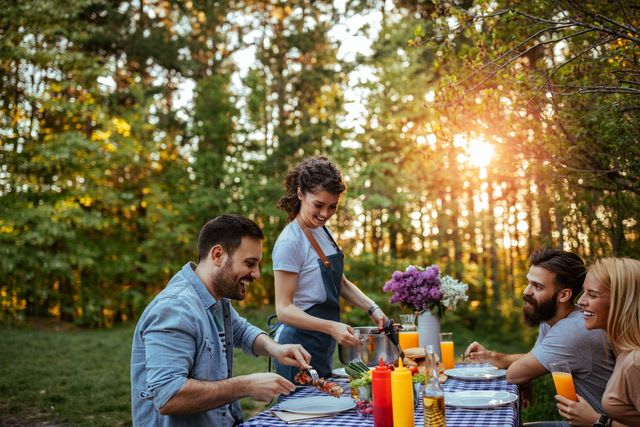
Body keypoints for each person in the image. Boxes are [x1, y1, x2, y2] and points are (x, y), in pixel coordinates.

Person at [130, 214, 312, 427]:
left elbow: (242, 331)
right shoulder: (175, 308)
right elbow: (168, 396)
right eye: (250, 263)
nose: (257, 274)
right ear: (218, 255)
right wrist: (246, 385)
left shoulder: (215, 298)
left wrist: (276, 349)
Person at [272, 156, 388, 382]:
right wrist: (332, 327)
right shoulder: (290, 242)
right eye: (318, 205)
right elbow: (284, 309)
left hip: (321, 343)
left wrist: (373, 309)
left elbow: (341, 283)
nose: (325, 214)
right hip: (295, 347)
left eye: (332, 206)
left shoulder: (323, 232)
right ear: (300, 194)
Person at [463, 248, 614, 421]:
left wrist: (525, 376)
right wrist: (490, 356)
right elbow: (534, 358)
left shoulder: (572, 330)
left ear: (564, 295)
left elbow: (515, 374)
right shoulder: (550, 318)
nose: (527, 291)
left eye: (538, 286)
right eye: (529, 282)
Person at [556, 257, 640, 427]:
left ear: (621, 302)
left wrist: (597, 421)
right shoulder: (616, 347)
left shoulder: (635, 362)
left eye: (592, 294)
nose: (580, 302)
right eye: (584, 291)